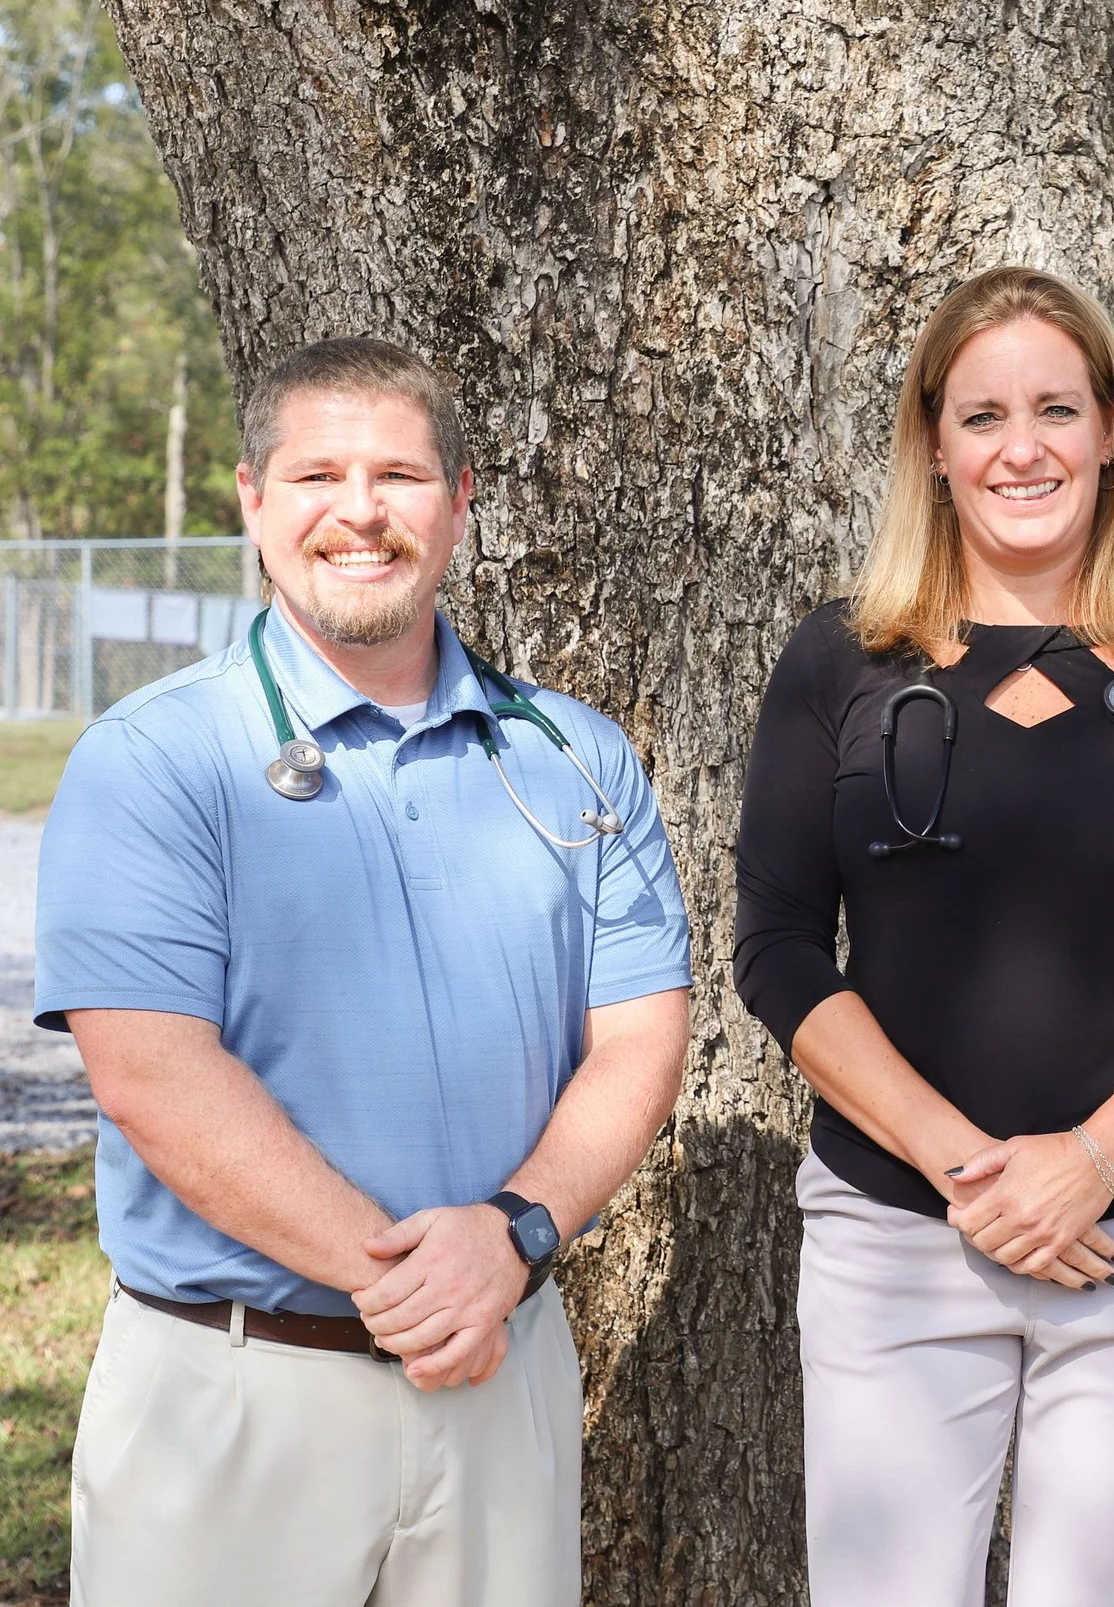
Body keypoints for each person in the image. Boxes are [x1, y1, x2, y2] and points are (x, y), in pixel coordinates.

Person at [39, 337, 692, 1604]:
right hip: (232, 1396)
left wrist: (508, 1238)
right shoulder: (154, 760)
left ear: (459, 502)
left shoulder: (576, 759)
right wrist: (407, 1282)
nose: (359, 511)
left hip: (502, 1367)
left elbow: (639, 1038)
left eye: (398, 474)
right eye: (316, 474)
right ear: (252, 500)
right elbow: (152, 1075)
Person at [732, 264, 1114, 1607]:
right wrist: (970, 1170)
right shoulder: (842, 661)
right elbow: (776, 945)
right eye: (983, 413)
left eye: (1058, 406)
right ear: (932, 444)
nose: (1023, 445)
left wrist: (1097, 1157)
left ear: (1111, 430)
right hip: (897, 1235)